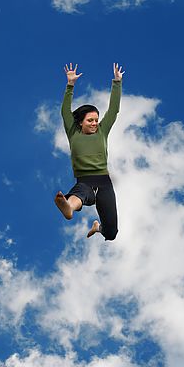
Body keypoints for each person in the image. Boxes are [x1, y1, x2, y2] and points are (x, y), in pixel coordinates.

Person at [54, 62, 125, 240]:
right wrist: (70, 85)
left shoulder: (102, 130)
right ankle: (68, 207)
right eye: (90, 120)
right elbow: (65, 112)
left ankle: (98, 227)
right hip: (85, 180)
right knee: (81, 193)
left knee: (112, 233)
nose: (94, 123)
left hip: (104, 181)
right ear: (80, 122)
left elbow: (114, 110)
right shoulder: (73, 131)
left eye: (96, 120)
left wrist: (117, 82)